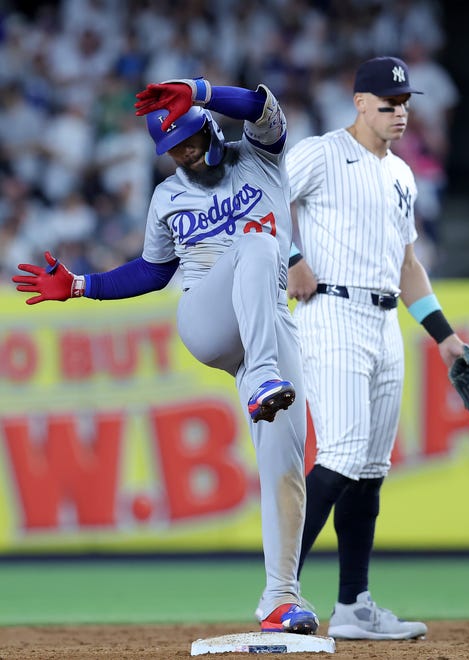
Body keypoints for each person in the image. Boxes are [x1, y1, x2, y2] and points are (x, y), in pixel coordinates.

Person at [12, 76, 319, 636]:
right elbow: (154, 272)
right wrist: (82, 285)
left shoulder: (262, 157)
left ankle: (280, 599)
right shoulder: (167, 197)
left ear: (208, 128)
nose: (183, 154)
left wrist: (202, 90)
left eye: (189, 141)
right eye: (172, 149)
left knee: (286, 465)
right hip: (206, 318)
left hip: (268, 328)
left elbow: (259, 105)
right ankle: (262, 379)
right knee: (254, 241)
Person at [285, 56, 466, 640]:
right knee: (338, 454)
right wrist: (291, 257)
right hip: (331, 312)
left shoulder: (401, 176)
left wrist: (445, 339)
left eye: (405, 103)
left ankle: (353, 607)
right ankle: (279, 597)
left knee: (369, 469)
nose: (400, 112)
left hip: (386, 321)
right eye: (388, 103)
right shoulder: (320, 152)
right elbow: (263, 203)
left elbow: (409, 265)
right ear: (360, 102)